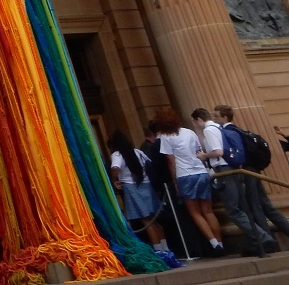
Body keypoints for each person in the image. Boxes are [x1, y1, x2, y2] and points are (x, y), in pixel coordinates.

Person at [193, 106, 272, 256]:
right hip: (233, 169)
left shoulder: (209, 130)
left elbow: (218, 151)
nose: (195, 125)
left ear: (199, 119)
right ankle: (255, 243)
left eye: (195, 122)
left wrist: (204, 156)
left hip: (224, 170)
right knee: (241, 207)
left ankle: (262, 238)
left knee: (233, 210)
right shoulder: (219, 127)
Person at [218, 105, 289, 247]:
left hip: (246, 171)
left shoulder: (228, 131)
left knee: (254, 205)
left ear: (224, 117)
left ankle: (268, 241)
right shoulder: (240, 130)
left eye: (216, 116)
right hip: (254, 170)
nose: (214, 119)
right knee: (266, 205)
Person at [157, 107, 224, 256]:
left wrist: (175, 182)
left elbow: (170, 161)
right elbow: (198, 151)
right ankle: (220, 242)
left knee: (195, 213)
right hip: (200, 171)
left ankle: (213, 243)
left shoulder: (165, 137)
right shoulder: (189, 132)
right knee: (208, 210)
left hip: (184, 174)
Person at [107, 129, 166, 251]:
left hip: (132, 187)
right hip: (147, 185)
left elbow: (115, 168)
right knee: (154, 220)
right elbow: (150, 164)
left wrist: (114, 180)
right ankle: (165, 248)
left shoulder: (117, 155)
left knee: (146, 221)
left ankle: (158, 250)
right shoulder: (138, 152)